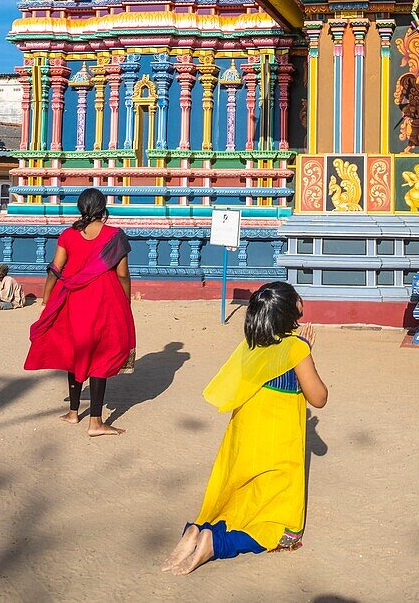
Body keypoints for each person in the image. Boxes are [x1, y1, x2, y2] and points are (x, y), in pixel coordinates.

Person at [162, 282, 328, 576]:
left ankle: (197, 530)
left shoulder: (251, 345)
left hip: (245, 434)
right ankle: (216, 542)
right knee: (280, 528)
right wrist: (305, 352)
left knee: (241, 494)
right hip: (279, 439)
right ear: (292, 310)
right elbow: (319, 397)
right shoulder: (296, 347)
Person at [24, 188, 135, 437]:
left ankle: (73, 413)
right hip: (105, 301)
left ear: (80, 207)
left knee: (77, 351)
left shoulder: (67, 235)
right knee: (101, 356)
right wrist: (126, 300)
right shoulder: (115, 236)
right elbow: (122, 274)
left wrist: (46, 300)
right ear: (103, 208)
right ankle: (95, 422)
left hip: (73, 301)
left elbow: (54, 269)